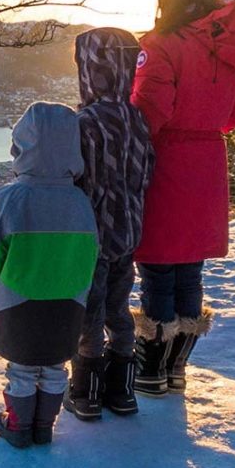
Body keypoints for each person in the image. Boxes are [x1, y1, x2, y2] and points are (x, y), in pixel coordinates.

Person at [131, 0, 235, 396]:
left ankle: (150, 369)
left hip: (167, 161)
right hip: (208, 162)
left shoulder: (162, 43)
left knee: (156, 267)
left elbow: (150, 112)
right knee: (189, 270)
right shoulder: (227, 45)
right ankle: (175, 370)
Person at [0, 102, 99, 448]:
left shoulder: (10, 199)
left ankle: (18, 425)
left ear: (21, 146)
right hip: (68, 305)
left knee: (21, 368)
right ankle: (44, 425)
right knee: (54, 366)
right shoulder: (80, 202)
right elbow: (90, 256)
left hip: (18, 305)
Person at [64, 28, 154, 421]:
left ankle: (86, 391)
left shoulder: (84, 122)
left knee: (90, 312)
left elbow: (75, 179)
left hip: (92, 235)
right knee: (119, 309)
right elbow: (147, 172)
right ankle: (123, 390)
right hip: (129, 229)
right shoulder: (137, 119)